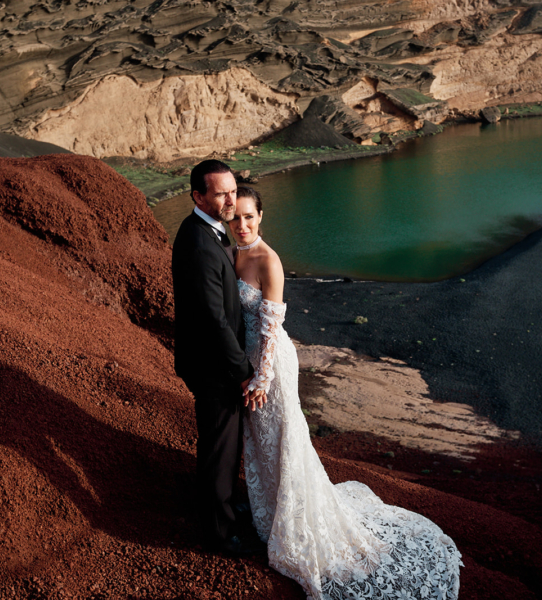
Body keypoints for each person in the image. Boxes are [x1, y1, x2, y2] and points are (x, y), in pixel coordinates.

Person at [230, 186, 462, 599]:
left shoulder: (268, 261)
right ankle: (271, 515)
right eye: (235, 218)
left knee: (284, 438)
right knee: (264, 442)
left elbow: (270, 329)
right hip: (249, 361)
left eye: (249, 217)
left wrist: (263, 379)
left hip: (272, 366)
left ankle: (297, 524)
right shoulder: (234, 254)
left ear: (261, 217)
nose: (242, 225)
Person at [172, 160, 265, 555]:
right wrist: (244, 371)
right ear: (198, 196)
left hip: (213, 362)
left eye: (233, 190)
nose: (231, 199)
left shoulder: (207, 232)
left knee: (224, 444)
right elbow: (213, 319)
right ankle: (219, 533)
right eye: (221, 193)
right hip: (214, 368)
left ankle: (224, 505)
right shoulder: (198, 243)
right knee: (219, 450)